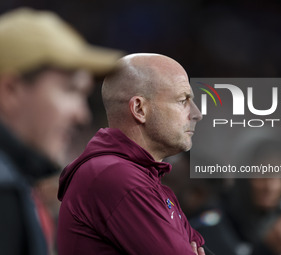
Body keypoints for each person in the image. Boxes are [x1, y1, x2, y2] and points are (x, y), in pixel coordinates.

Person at [57, 53, 210, 255]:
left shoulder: (145, 178)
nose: (197, 113)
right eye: (183, 100)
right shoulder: (117, 177)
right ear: (139, 108)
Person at [0, 8, 122, 255]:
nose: (82, 115)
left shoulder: (17, 184)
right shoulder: (5, 195)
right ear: (11, 90)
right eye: (70, 90)